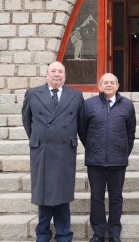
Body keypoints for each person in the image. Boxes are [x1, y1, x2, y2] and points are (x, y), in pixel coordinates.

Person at [22, 61, 84, 242]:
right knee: (43, 193)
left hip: (65, 150)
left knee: (63, 194)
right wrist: (38, 139)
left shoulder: (76, 95)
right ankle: (43, 233)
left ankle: (64, 234)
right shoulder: (33, 93)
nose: (57, 74)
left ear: (65, 76)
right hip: (42, 149)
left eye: (60, 72)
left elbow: (81, 122)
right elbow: (27, 121)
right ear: (47, 75)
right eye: (53, 71)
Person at [78, 73, 136, 242]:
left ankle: (114, 232)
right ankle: (98, 232)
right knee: (96, 197)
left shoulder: (127, 105)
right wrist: (91, 147)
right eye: (106, 83)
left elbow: (130, 132)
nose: (109, 85)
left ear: (118, 86)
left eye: (112, 82)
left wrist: (124, 151)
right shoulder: (89, 105)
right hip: (95, 160)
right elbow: (82, 130)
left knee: (116, 197)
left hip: (118, 160)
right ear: (100, 86)